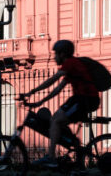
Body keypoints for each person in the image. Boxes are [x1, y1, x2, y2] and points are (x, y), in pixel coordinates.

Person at [20, 39, 101, 167]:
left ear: (63, 54)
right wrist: (39, 102)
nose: (54, 57)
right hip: (83, 99)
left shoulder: (70, 63)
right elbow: (57, 90)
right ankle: (76, 151)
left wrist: (32, 91)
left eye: (56, 54)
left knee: (56, 120)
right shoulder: (72, 68)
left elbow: (52, 80)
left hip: (84, 99)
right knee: (57, 120)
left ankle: (51, 157)